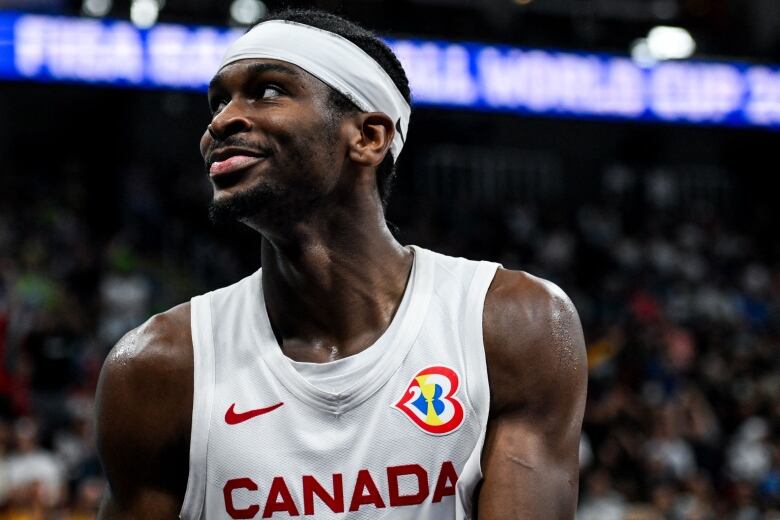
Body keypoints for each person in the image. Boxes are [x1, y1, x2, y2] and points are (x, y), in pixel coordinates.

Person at [94, 9, 587, 519]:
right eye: (218, 101)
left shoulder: (512, 325)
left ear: (369, 137)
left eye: (267, 91)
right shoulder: (160, 368)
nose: (220, 121)